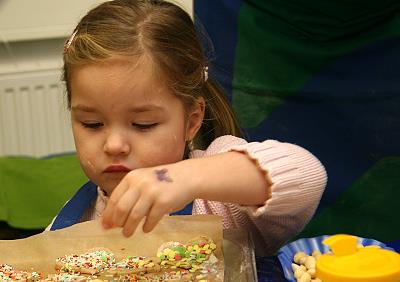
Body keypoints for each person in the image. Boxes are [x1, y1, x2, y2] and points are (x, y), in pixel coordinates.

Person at [48, 0, 327, 256]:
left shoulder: (218, 199)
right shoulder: (75, 217)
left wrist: (184, 178)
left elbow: (307, 176)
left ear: (192, 121)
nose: (114, 145)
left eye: (143, 124)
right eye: (92, 124)